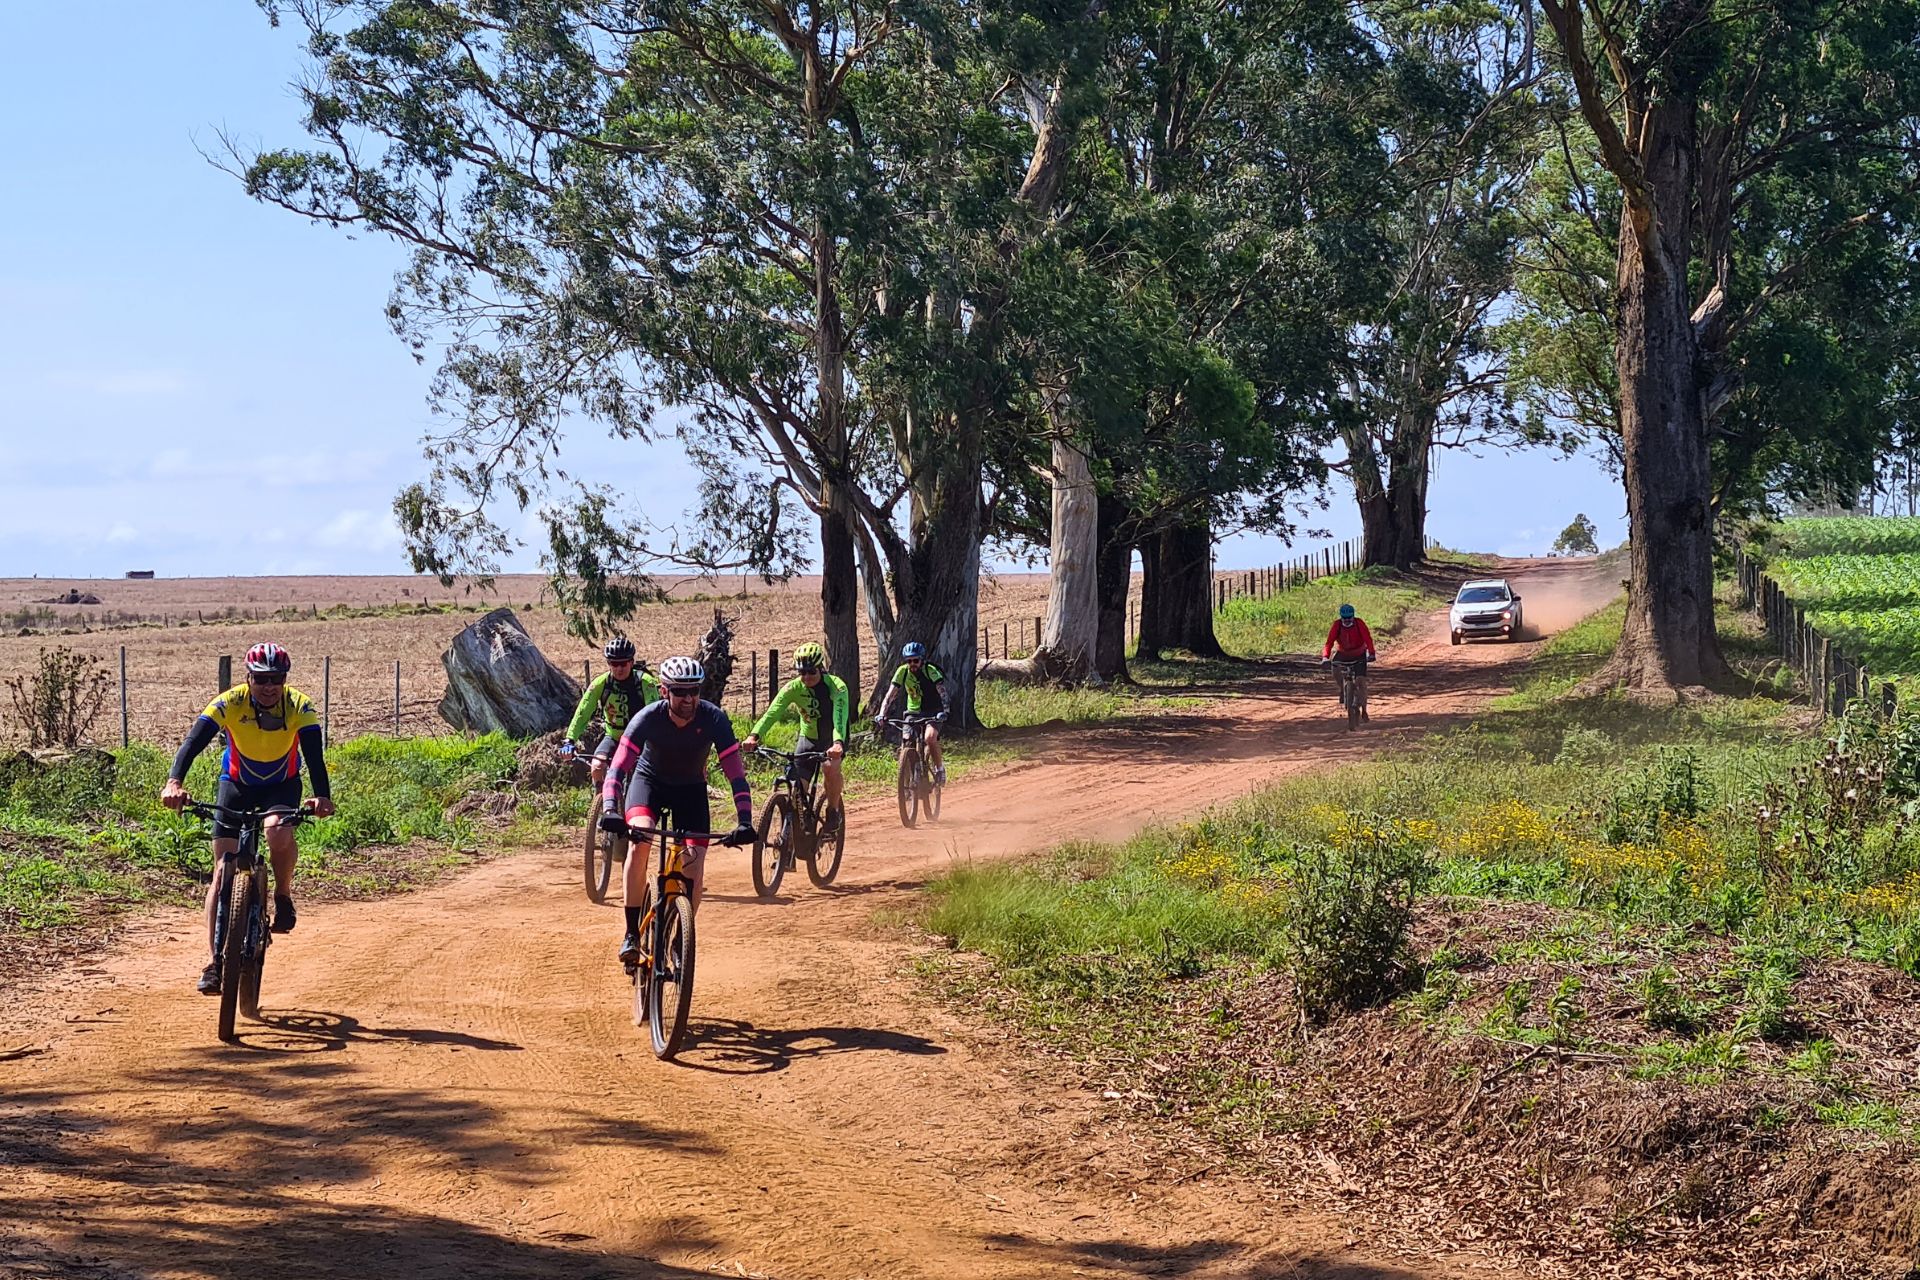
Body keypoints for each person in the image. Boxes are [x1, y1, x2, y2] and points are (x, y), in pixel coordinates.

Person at [160, 642, 336, 995]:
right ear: (248, 678)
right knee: (222, 872)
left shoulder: (299, 706)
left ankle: (282, 895)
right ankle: (213, 962)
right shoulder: (229, 702)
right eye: (261, 679)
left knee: (276, 833)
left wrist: (322, 796)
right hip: (236, 784)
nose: (269, 686)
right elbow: (192, 744)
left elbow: (314, 756)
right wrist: (173, 783)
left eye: (277, 678)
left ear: (285, 679)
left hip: (282, 786)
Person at [598, 655, 755, 969]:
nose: (689, 698)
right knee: (640, 840)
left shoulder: (714, 719)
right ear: (663, 691)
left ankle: (680, 938)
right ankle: (631, 934)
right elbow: (617, 769)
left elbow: (736, 774)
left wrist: (745, 820)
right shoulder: (646, 718)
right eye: (680, 691)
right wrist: (611, 809)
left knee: (694, 864)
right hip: (649, 783)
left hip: (690, 789)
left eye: (694, 690)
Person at [741, 641, 851, 833]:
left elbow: (839, 718)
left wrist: (838, 743)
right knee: (797, 789)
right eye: (802, 672)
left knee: (829, 768)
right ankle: (792, 837)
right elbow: (772, 713)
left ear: (821, 668)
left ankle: (833, 811)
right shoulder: (793, 688)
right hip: (808, 738)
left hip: (833, 737)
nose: (806, 677)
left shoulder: (836, 686)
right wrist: (754, 736)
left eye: (811, 672)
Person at [566, 635, 660, 787]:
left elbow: (655, 715)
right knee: (596, 766)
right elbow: (583, 712)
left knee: (643, 777)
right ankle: (600, 801)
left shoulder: (646, 683)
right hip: (613, 736)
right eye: (613, 663)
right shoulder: (600, 683)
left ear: (631, 662)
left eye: (623, 663)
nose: (619, 668)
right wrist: (570, 740)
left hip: (639, 739)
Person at [873, 641, 947, 784]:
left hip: (933, 711)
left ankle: (939, 769)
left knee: (930, 738)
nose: (912, 664)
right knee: (906, 743)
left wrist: (945, 711)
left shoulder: (930, 670)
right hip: (913, 712)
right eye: (909, 661)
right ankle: (905, 783)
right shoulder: (903, 671)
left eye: (915, 660)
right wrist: (882, 713)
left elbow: (942, 692)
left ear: (922, 660)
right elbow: (890, 695)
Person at [1321, 603, 1377, 719]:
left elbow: (1368, 639)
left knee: (1361, 682)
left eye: (1349, 618)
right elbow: (1329, 642)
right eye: (1344, 618)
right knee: (1334, 667)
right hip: (1343, 653)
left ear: (1353, 616)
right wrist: (1325, 657)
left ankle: (1364, 711)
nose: (1347, 621)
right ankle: (1342, 689)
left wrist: (1371, 653)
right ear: (1341, 617)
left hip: (1359, 653)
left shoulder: (1359, 624)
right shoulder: (1337, 625)